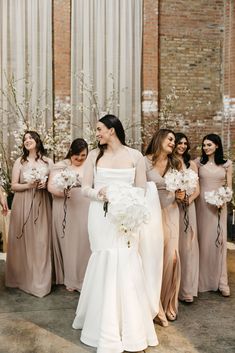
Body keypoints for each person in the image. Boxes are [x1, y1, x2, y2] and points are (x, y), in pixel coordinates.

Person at [72, 115, 158, 353]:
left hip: (126, 218)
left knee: (126, 261)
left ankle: (129, 327)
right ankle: (102, 324)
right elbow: (84, 188)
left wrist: (127, 204)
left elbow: (141, 189)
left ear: (112, 130)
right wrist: (102, 193)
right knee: (106, 259)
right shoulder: (93, 155)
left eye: (99, 129)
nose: (97, 133)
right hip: (100, 216)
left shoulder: (135, 156)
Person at [5, 131, 53, 297]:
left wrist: (44, 186)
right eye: (25, 139)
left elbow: (53, 183)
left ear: (37, 140)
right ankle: (22, 278)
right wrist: (29, 185)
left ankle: (40, 282)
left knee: (41, 241)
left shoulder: (48, 161)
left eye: (30, 138)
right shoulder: (20, 161)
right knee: (25, 240)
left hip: (42, 203)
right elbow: (14, 186)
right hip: (23, 202)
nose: (27, 141)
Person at [145, 129, 184, 326]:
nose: (173, 142)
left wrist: (182, 193)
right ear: (160, 138)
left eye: (174, 140)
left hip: (171, 212)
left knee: (172, 257)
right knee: (154, 258)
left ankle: (168, 302)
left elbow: (185, 187)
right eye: (170, 139)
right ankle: (153, 305)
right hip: (152, 215)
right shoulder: (144, 162)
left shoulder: (175, 163)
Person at [48, 138, 91, 292]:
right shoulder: (62, 167)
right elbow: (51, 187)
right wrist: (63, 193)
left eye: (83, 155)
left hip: (86, 206)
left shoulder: (91, 166)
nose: (79, 158)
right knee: (71, 243)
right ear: (71, 153)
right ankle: (71, 279)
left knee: (85, 241)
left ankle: (86, 278)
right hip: (68, 206)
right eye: (76, 155)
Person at [195, 133, 233, 297]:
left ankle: (221, 281)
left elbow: (229, 187)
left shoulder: (227, 164)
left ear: (217, 145)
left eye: (209, 145)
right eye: (204, 145)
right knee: (202, 241)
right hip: (201, 206)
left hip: (219, 206)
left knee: (218, 240)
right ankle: (201, 280)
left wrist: (224, 198)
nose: (206, 148)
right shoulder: (197, 163)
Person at [174, 133, 199, 303]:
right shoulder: (169, 163)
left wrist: (188, 200)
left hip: (189, 207)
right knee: (176, 246)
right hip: (174, 207)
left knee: (189, 246)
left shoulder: (191, 164)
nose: (182, 146)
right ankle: (174, 287)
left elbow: (197, 189)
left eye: (185, 143)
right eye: (179, 143)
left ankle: (187, 289)